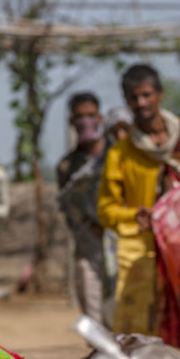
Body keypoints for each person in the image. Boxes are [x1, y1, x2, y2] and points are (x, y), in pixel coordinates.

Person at [98, 65, 180, 336]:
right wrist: (134, 215)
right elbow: (105, 209)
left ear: (160, 94)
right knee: (137, 332)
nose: (141, 103)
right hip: (141, 254)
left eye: (146, 95)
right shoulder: (120, 154)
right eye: (134, 98)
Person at [56, 92, 111, 325]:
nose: (85, 121)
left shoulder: (115, 154)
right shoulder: (67, 165)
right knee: (93, 316)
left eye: (90, 115)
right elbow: (69, 208)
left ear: (100, 117)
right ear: (71, 121)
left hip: (121, 245)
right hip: (88, 247)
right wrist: (91, 226)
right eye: (80, 116)